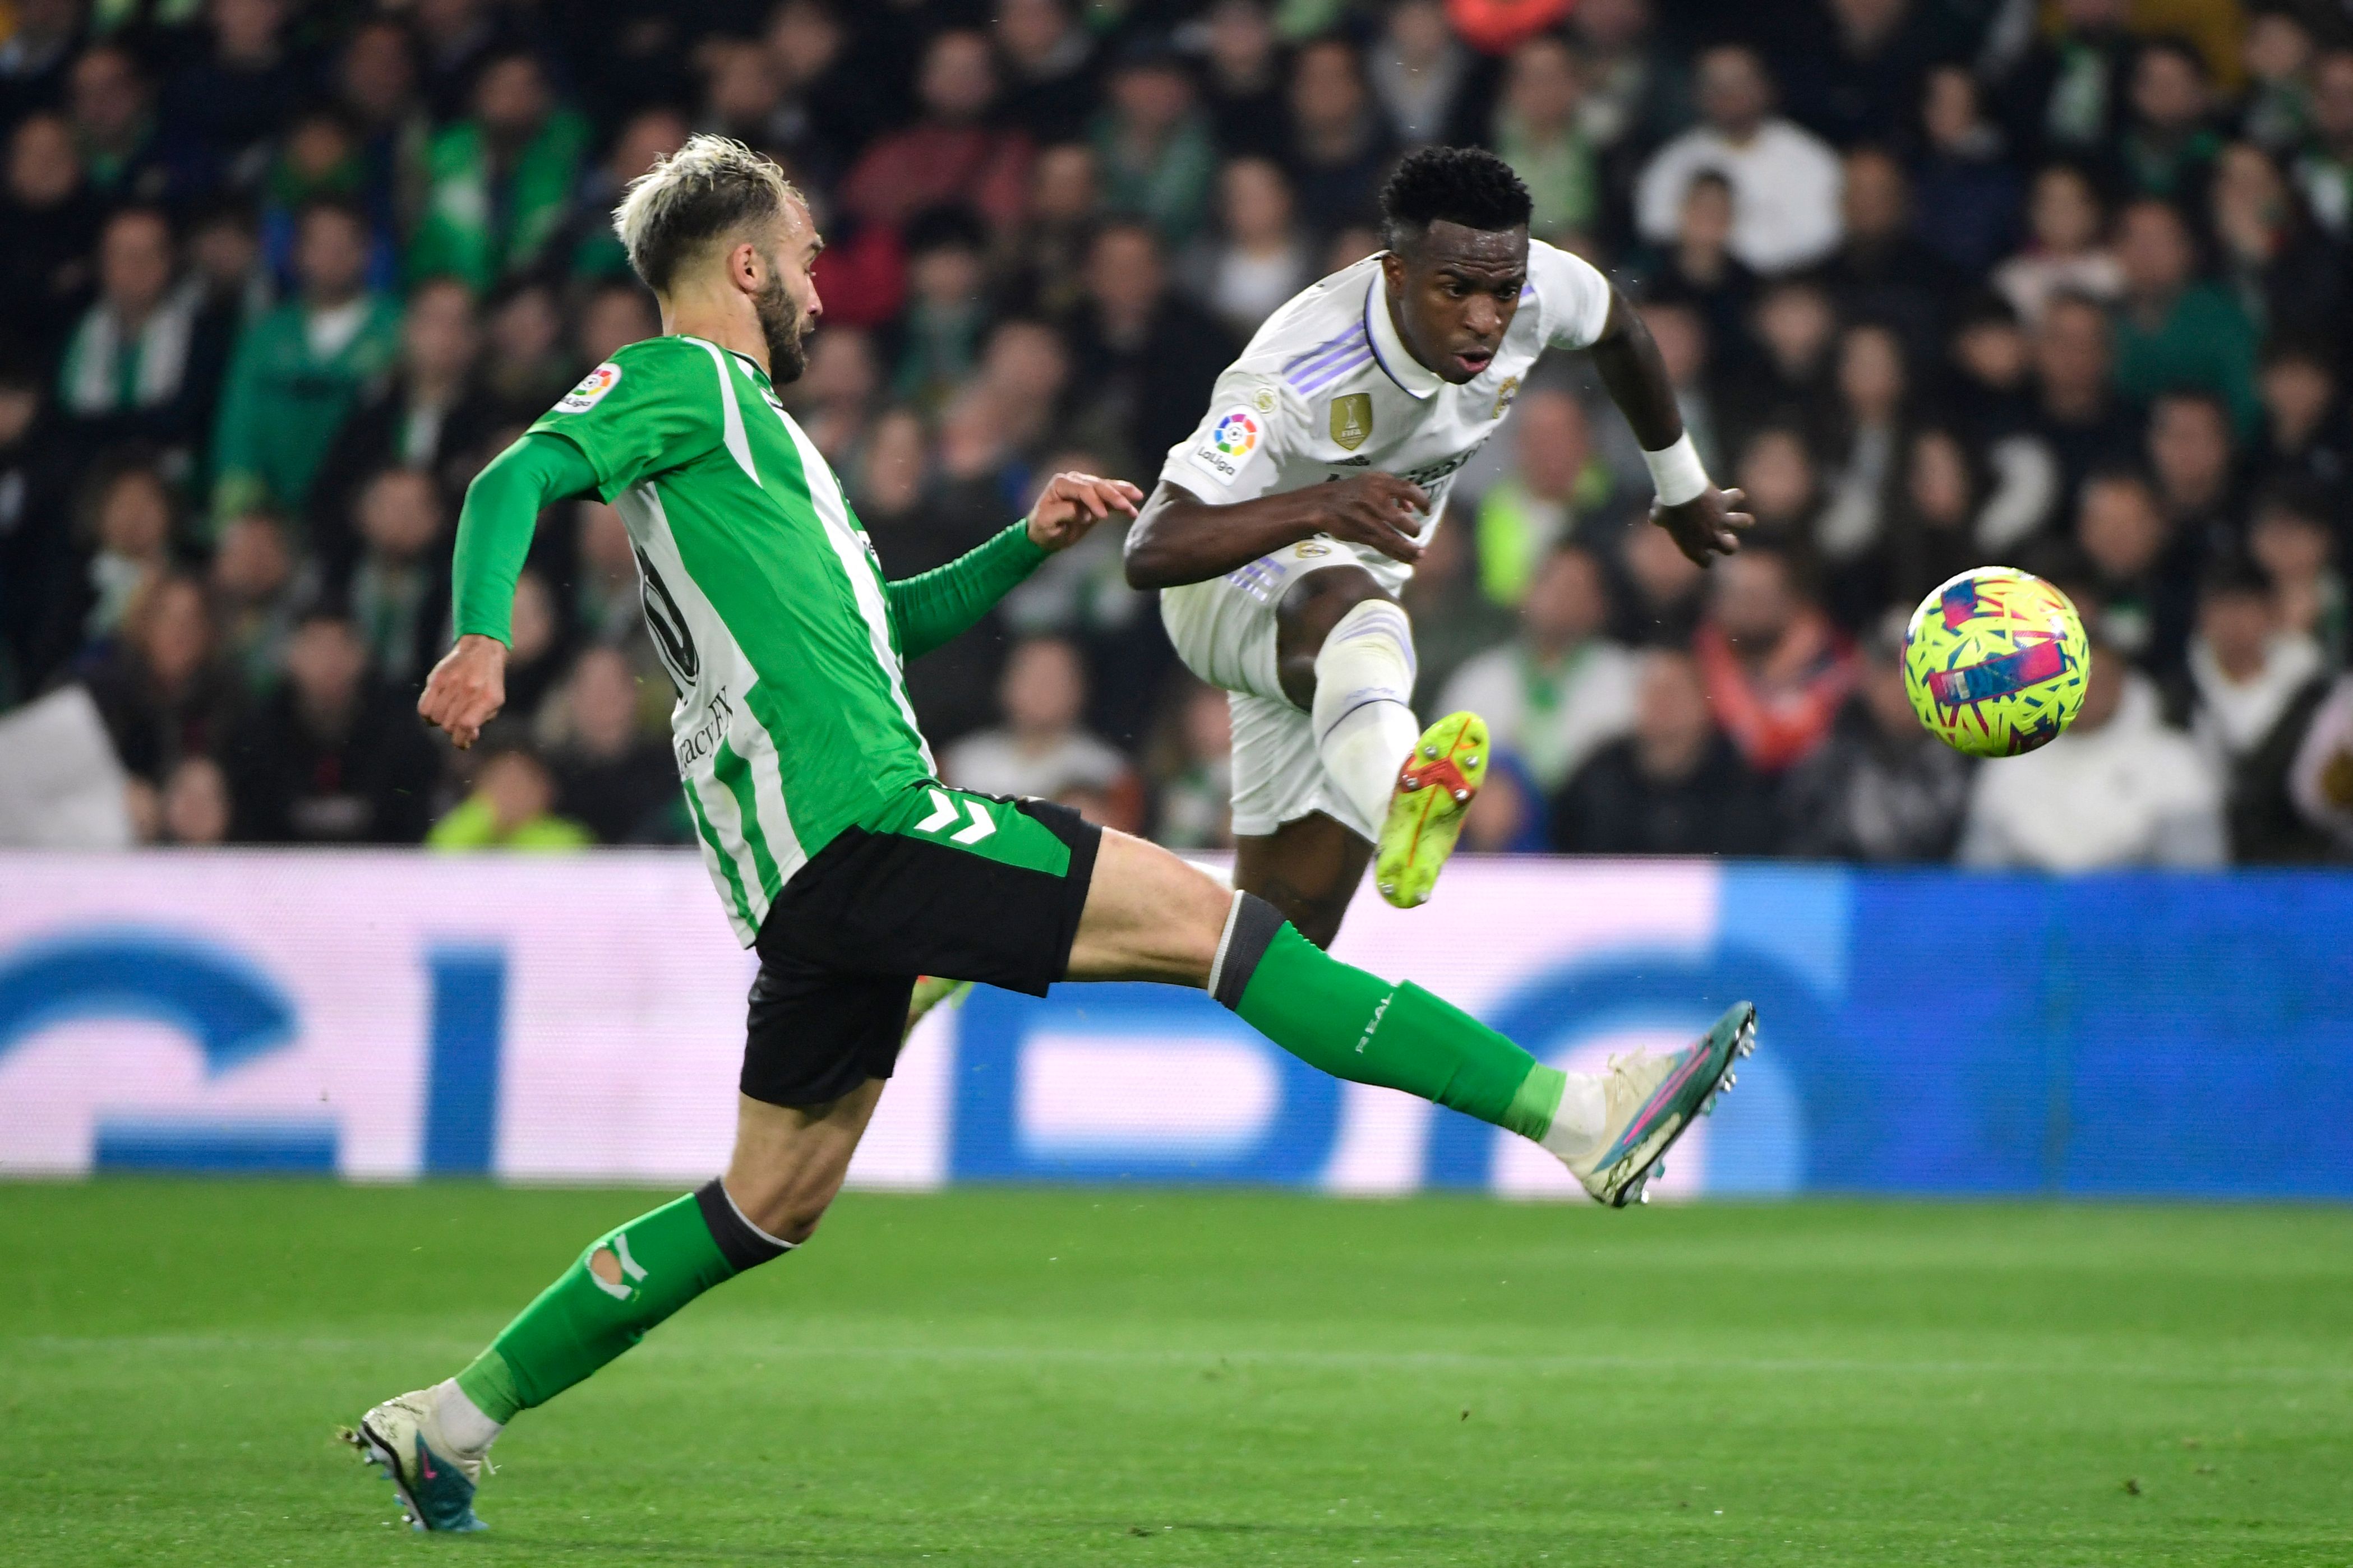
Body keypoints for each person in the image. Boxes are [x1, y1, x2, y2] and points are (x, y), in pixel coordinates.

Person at [351, 136, 1758, 1533]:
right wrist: (481, 638)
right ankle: (1584, 1118)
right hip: (872, 827)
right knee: (1227, 938)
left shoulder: (758, 448)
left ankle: (450, 1420)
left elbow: (885, 630)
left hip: (803, 878)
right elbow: (506, 482)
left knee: (766, 1201)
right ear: (743, 264)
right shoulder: (686, 382)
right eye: (805, 257)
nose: (820, 285)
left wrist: (1024, 544)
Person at [1124, 146, 1751, 938]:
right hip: (1225, 578)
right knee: (1364, 610)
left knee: (1280, 939)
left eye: (1504, 289)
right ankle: (1402, 795)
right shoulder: (1294, 371)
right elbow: (1152, 547)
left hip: (1341, 647)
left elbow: (1619, 328)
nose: (1487, 317)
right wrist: (1320, 504)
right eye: (1456, 289)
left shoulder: (1533, 288)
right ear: (1394, 273)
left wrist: (1683, 485)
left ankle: (1015, 933)